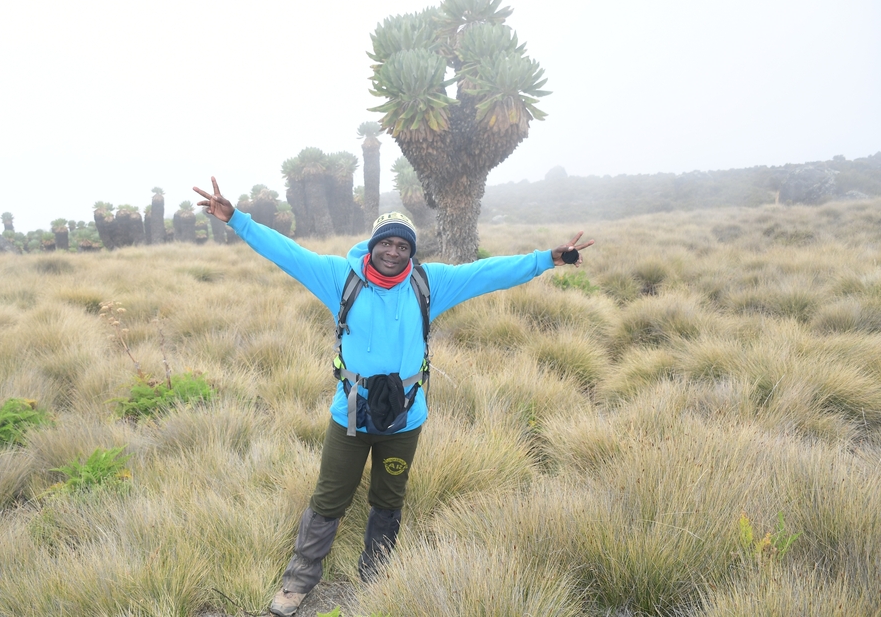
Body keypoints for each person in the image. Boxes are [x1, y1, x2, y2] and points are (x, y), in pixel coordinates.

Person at [194, 177, 594, 616]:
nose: (393, 253)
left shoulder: (429, 284)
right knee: (329, 498)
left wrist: (547, 260)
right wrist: (237, 220)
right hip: (350, 415)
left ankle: (377, 575)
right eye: (385, 244)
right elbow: (287, 253)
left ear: (411, 252)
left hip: (406, 418)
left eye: (403, 247)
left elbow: (487, 273)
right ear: (372, 246)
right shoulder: (339, 279)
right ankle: (298, 581)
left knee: (389, 498)